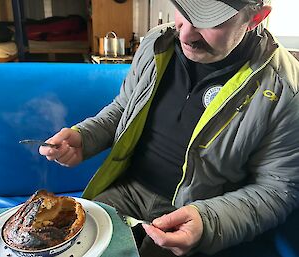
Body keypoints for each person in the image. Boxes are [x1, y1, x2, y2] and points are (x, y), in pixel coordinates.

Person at [39, 0, 299, 256]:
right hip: (124, 190)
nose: (185, 34)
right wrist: (86, 136)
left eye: (209, 20)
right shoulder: (157, 42)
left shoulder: (285, 88)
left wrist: (208, 223)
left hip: (198, 212)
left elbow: (277, 190)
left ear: (256, 18)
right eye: (184, 11)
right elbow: (125, 108)